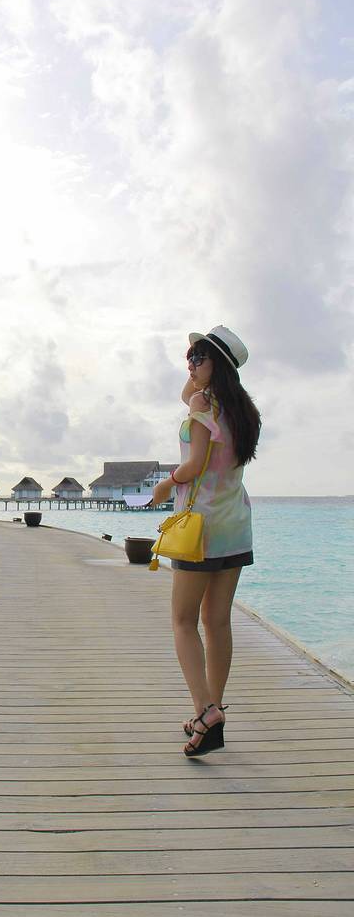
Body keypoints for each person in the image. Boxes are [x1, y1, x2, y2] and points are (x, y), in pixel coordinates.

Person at [152, 325, 261, 758]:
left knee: (183, 621)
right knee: (217, 622)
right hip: (235, 525)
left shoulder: (203, 409)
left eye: (199, 357)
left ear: (220, 365)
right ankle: (211, 709)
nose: (190, 365)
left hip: (201, 528)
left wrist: (165, 485)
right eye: (189, 358)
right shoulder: (243, 411)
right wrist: (199, 377)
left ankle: (205, 712)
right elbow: (188, 393)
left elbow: (195, 464)